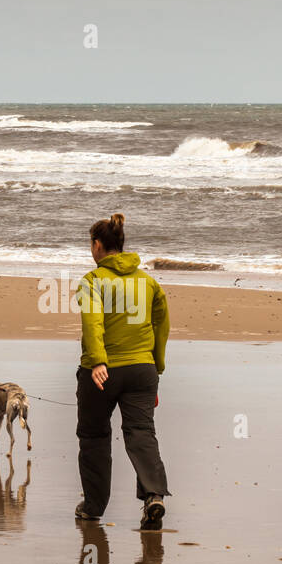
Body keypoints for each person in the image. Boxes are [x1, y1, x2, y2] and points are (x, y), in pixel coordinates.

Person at [75, 212, 170, 529]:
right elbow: (161, 324)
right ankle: (153, 496)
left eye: (92, 244)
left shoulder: (93, 281)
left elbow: (93, 321)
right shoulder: (148, 282)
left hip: (102, 372)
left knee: (94, 436)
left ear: (98, 245)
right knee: (142, 433)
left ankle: (93, 507)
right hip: (143, 370)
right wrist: (156, 364)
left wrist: (99, 360)